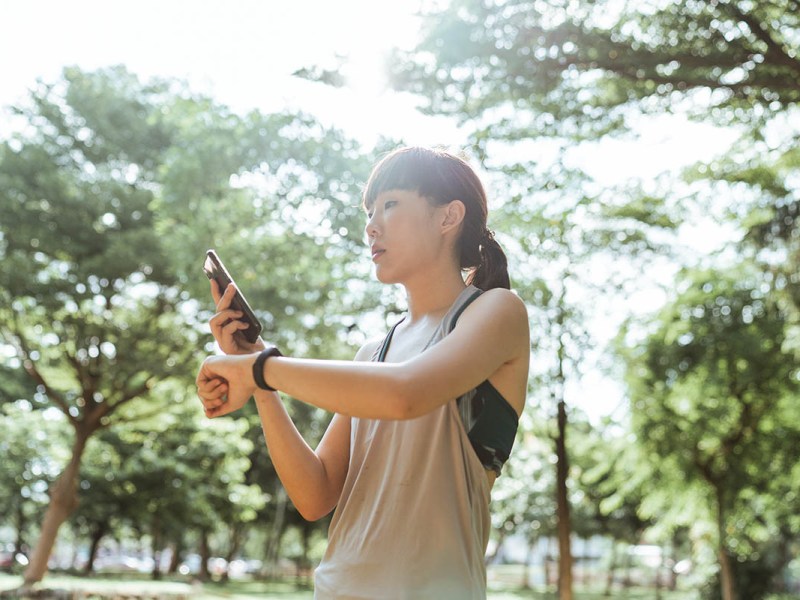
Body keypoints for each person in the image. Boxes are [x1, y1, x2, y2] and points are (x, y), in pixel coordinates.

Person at [196, 146, 530, 599]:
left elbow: (406, 395)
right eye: (370, 212)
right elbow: (315, 495)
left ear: (449, 216)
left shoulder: (496, 313)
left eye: (390, 204)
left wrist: (259, 369)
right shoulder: (373, 352)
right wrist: (261, 383)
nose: (371, 225)